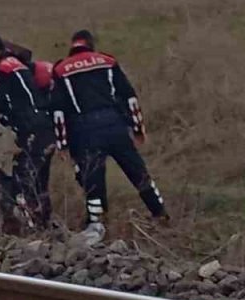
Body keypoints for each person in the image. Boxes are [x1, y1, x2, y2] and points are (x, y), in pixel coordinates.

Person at [52, 30, 168, 245]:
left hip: (85, 130)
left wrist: (63, 144)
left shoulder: (61, 70)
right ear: (91, 45)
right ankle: (160, 213)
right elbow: (129, 97)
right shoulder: (107, 61)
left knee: (93, 180)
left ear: (73, 46)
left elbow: (58, 112)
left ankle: (97, 223)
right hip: (114, 125)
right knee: (137, 171)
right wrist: (138, 128)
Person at [0, 35, 56, 227]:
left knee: (21, 179)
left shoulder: (1, 70)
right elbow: (12, 101)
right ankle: (44, 222)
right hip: (46, 127)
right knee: (40, 181)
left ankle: (32, 225)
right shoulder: (18, 66)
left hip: (31, 129)